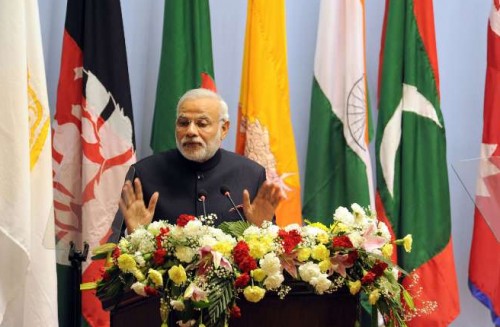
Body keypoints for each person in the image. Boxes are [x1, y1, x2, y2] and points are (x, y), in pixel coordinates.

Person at [118, 88, 284, 234]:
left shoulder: (251, 175)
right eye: (183, 123)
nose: (190, 131)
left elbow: (270, 259)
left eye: (202, 124)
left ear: (224, 129)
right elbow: (116, 254)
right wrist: (134, 234)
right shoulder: (144, 173)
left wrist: (262, 230)